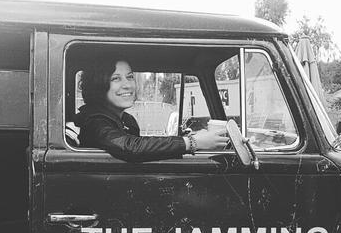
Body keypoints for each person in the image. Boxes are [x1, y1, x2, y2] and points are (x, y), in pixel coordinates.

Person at [72, 57, 228, 162]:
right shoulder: (93, 121)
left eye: (130, 77)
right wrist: (192, 143)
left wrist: (192, 139)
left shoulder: (127, 120)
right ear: (98, 85)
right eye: (115, 78)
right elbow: (130, 147)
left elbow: (143, 149)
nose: (127, 85)